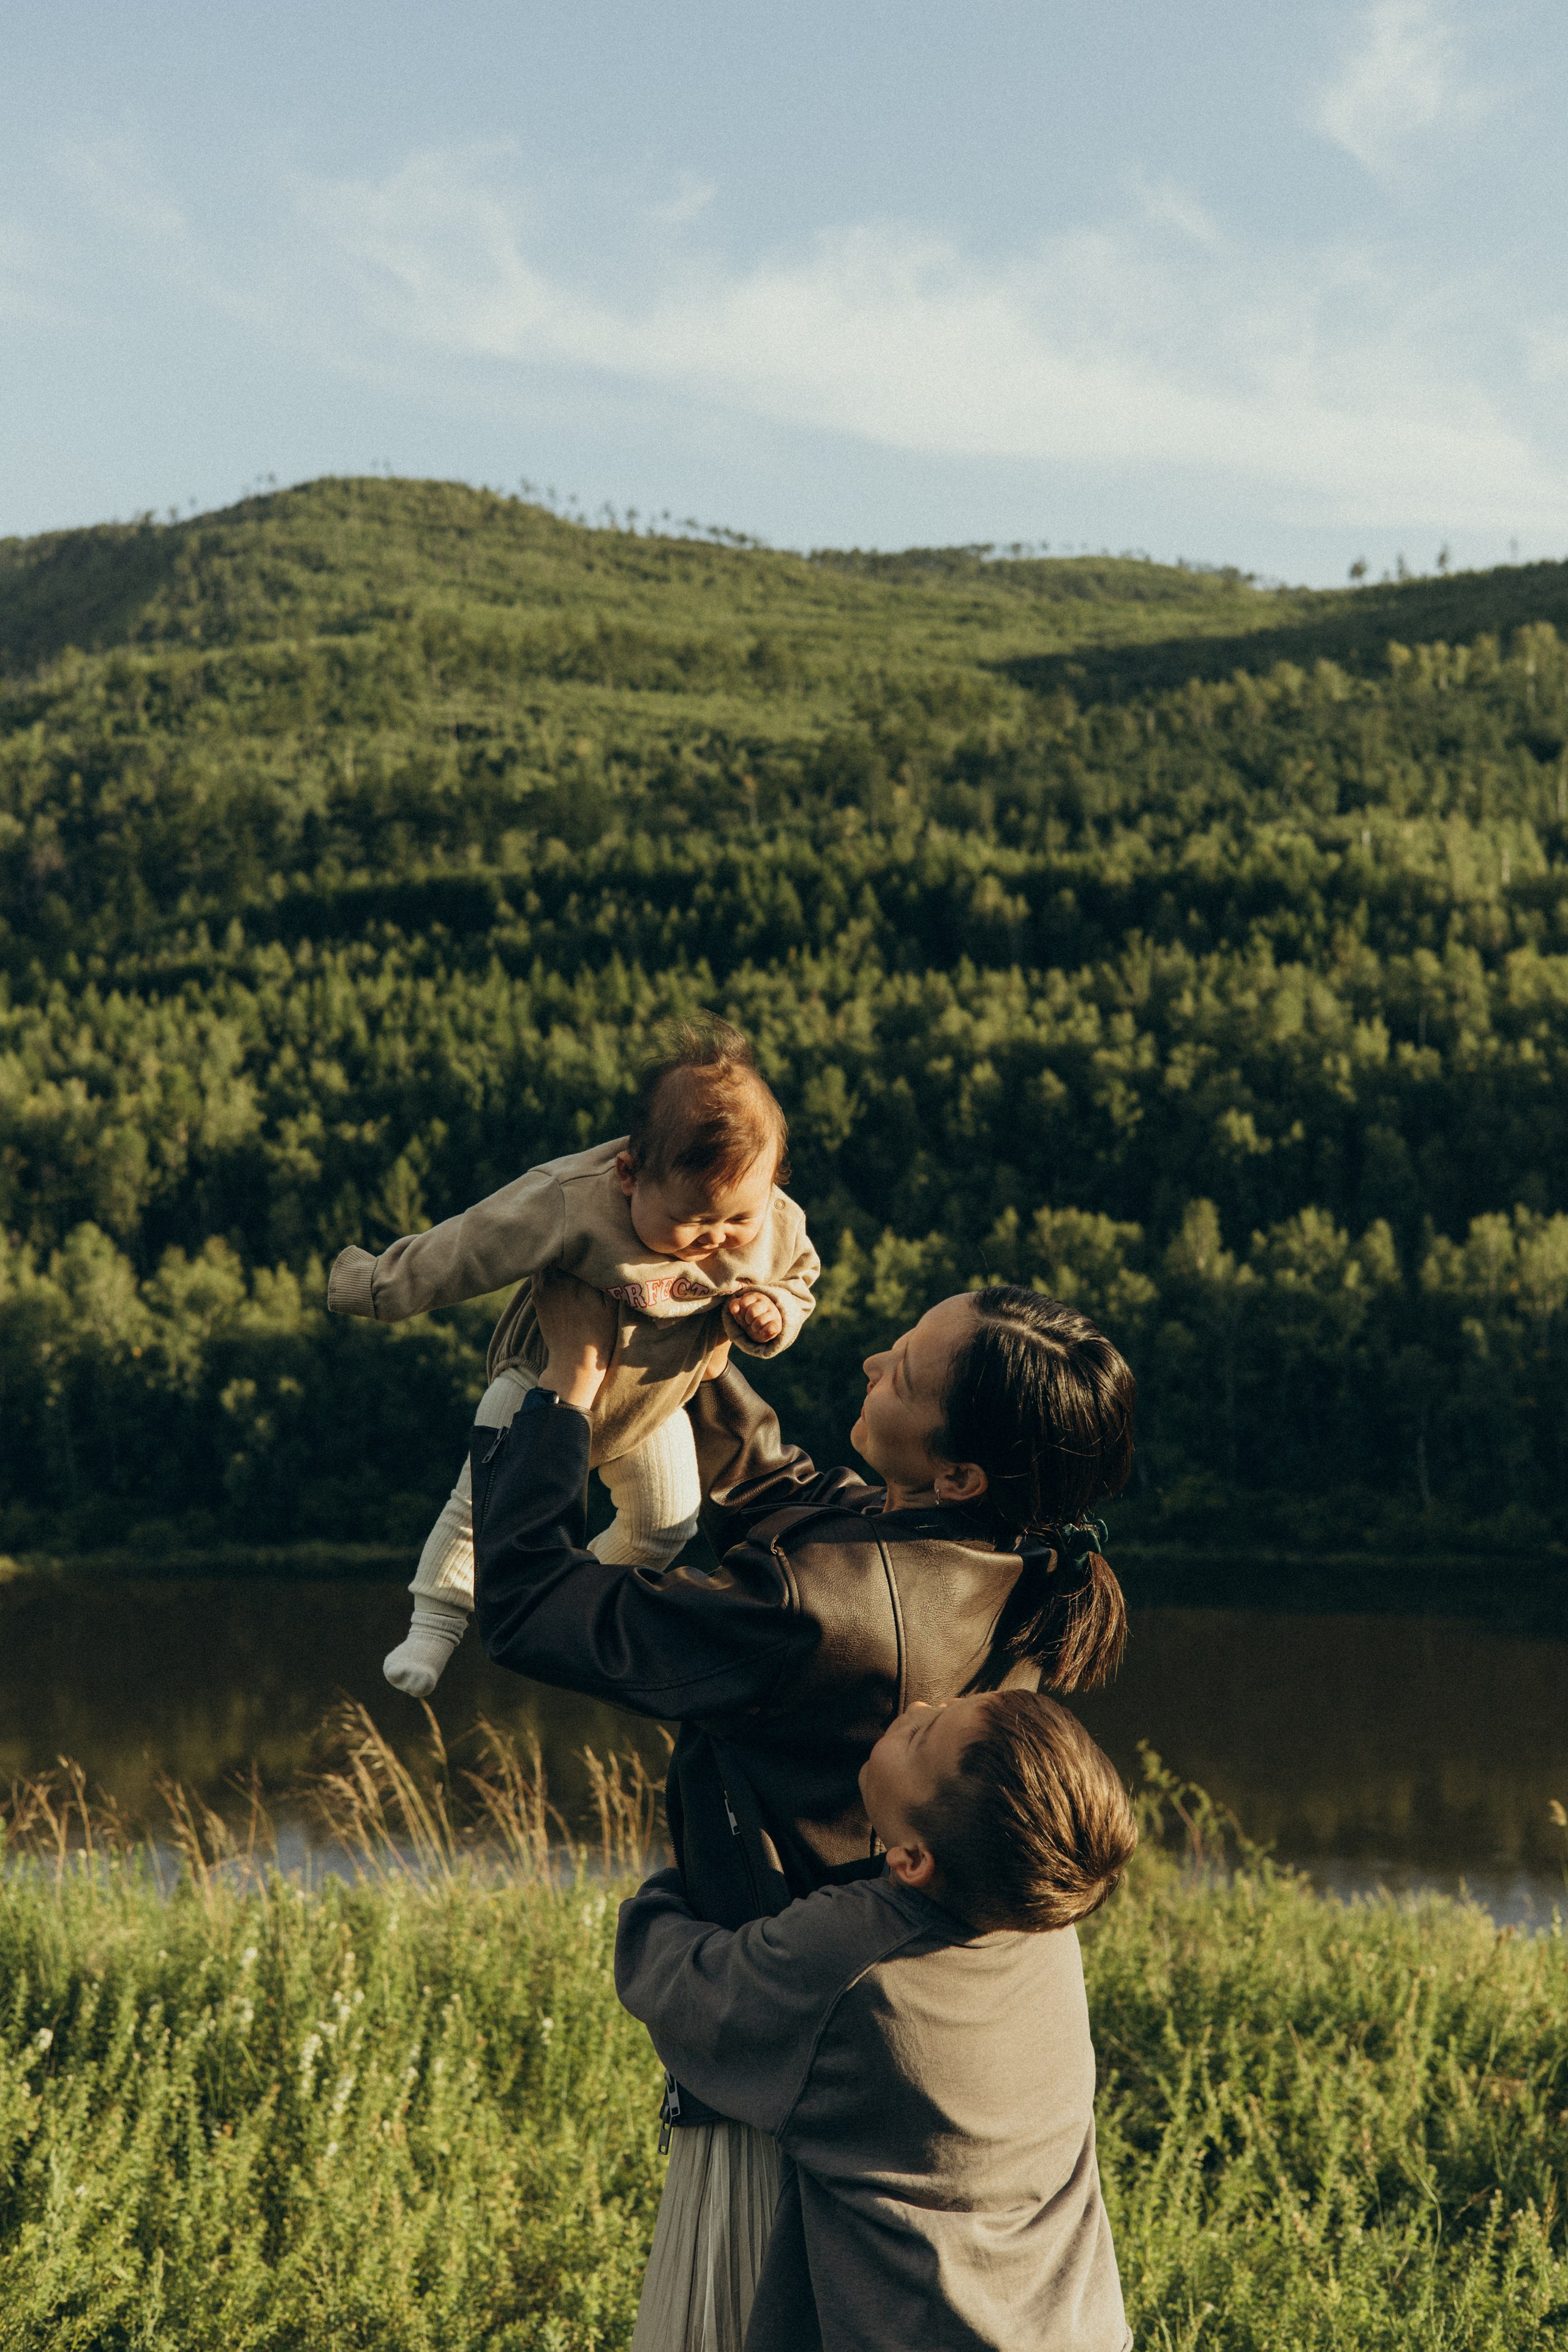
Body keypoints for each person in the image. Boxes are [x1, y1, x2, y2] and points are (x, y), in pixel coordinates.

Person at [473, 1275, 1137, 2352]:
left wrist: (568, 1389)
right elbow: (787, 1492)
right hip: (871, 2053)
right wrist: (691, 1338)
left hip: (785, 2075)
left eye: (907, 1372)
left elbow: (529, 1610)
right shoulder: (992, 1558)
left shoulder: (827, 1614)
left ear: (959, 1468)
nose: (874, 1362)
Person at [615, 1688, 1137, 2351]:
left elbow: (675, 1983)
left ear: (913, 1861)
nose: (916, 1703)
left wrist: (672, 1888)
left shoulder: (851, 1958)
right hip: (1075, 2325)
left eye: (922, 1736)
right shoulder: (1043, 1918)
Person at [327, 1019, 818, 1694]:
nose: (715, 1238)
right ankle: (433, 1627)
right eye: (693, 1219)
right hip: (541, 1382)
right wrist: (374, 1287)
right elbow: (469, 1247)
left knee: (666, 1523)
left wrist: (772, 1319)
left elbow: (798, 1282)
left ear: (771, 1186)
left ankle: (568, 1603)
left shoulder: (774, 1221)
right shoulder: (571, 1199)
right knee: (479, 1510)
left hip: (656, 1400)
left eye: (737, 1220)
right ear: (628, 1174)